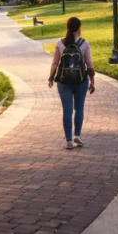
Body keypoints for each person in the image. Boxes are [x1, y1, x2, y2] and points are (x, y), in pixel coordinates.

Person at [48, 16, 96, 149]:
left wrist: (51, 77)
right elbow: (89, 64)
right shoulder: (84, 43)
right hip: (81, 81)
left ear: (67, 27)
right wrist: (92, 81)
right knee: (79, 108)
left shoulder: (60, 43)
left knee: (67, 110)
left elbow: (55, 63)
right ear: (79, 28)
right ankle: (77, 135)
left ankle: (69, 140)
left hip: (63, 82)